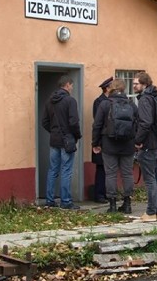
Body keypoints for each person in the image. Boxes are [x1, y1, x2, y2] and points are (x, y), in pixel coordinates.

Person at [92, 79, 137, 213]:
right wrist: (136, 140)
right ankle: (127, 204)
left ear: (111, 89)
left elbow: (97, 125)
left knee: (110, 174)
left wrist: (95, 143)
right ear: (123, 89)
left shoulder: (105, 104)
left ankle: (112, 205)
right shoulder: (131, 104)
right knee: (127, 174)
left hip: (109, 144)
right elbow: (139, 123)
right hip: (128, 145)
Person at [41, 75, 81, 210]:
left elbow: (44, 122)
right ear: (68, 85)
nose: (72, 87)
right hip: (67, 140)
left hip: (54, 140)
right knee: (66, 170)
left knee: (53, 170)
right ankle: (66, 201)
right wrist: (76, 135)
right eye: (72, 85)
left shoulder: (49, 101)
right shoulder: (70, 101)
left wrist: (53, 131)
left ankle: (49, 200)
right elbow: (74, 122)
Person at [132, 72, 157, 222]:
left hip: (148, 145)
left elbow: (145, 123)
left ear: (144, 84)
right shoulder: (155, 97)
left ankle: (150, 212)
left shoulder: (145, 99)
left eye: (136, 83)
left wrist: (137, 140)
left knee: (150, 179)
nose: (133, 86)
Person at [90, 76, 113, 204]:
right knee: (101, 168)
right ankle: (99, 194)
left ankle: (108, 193)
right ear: (107, 88)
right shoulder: (99, 102)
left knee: (109, 169)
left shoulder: (111, 101)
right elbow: (98, 122)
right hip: (101, 140)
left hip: (108, 139)